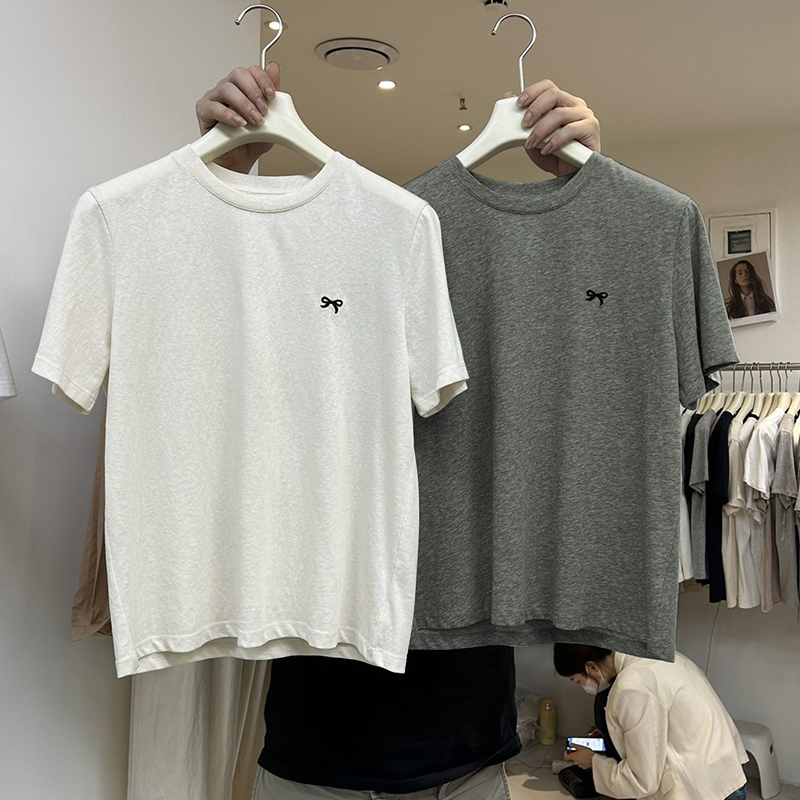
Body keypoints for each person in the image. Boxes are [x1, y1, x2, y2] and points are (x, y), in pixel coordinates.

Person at [194, 65, 600, 799]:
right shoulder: (308, 324)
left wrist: (587, 191)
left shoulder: (510, 333)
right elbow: (210, 347)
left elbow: (599, 327)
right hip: (317, 751)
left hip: (468, 754)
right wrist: (223, 182)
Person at [555, 643, 749, 800]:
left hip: (703, 789)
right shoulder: (656, 654)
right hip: (727, 776)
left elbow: (642, 781)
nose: (583, 687)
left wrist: (592, 762)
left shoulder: (631, 686)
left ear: (591, 667)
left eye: (578, 681)